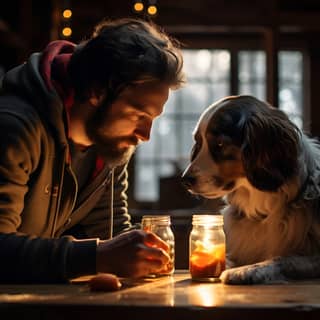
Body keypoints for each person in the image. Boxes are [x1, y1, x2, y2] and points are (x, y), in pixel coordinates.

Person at [0, 17, 185, 283]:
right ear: (97, 90)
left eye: (152, 119)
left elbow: (109, 233)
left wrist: (138, 256)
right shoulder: (15, 128)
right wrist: (96, 258)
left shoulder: (108, 147)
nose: (144, 136)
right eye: (138, 115)